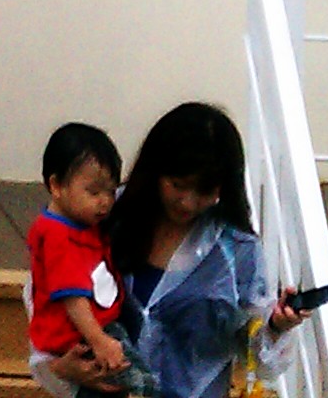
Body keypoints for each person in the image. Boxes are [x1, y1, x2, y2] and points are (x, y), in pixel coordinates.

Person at [104, 103, 310, 398]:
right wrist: (62, 366)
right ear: (155, 170)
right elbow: (57, 295)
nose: (188, 202)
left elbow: (258, 353)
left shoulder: (236, 249)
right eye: (178, 185)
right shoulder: (110, 218)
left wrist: (276, 327)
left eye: (205, 192)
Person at [27, 122, 127, 398]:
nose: (105, 202)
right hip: (79, 341)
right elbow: (73, 296)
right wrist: (99, 340)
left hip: (92, 334)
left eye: (111, 191)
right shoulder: (58, 237)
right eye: (94, 192)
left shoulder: (80, 223)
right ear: (56, 185)